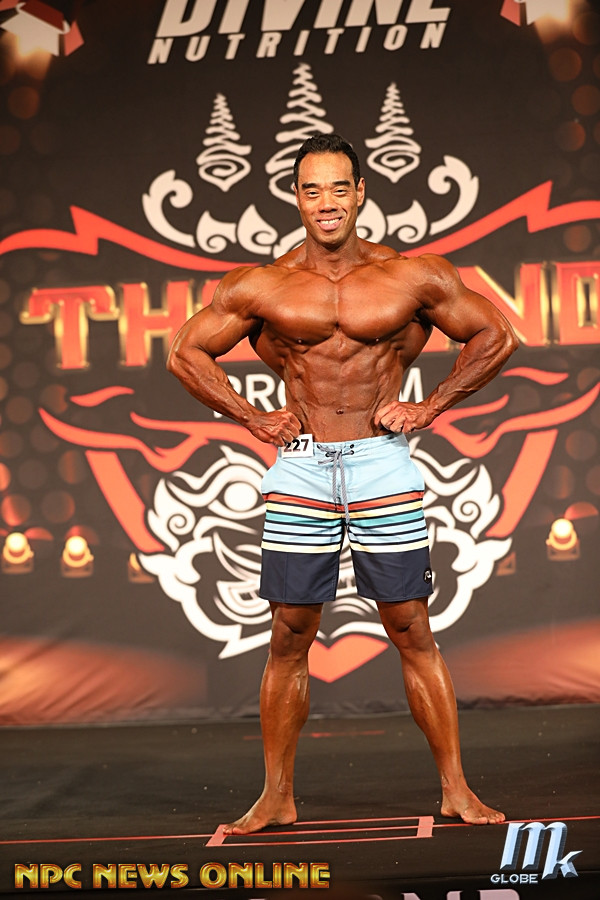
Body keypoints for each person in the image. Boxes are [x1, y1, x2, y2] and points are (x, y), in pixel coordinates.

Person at [167, 133, 518, 833]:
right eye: (311, 189)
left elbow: (497, 335)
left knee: (411, 626)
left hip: (381, 460)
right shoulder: (261, 285)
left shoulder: (411, 276)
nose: (325, 202)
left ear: (360, 193)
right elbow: (186, 353)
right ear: (296, 198)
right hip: (302, 464)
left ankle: (455, 789)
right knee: (289, 634)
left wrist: (430, 405)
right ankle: (276, 795)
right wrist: (250, 417)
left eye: (337, 187)